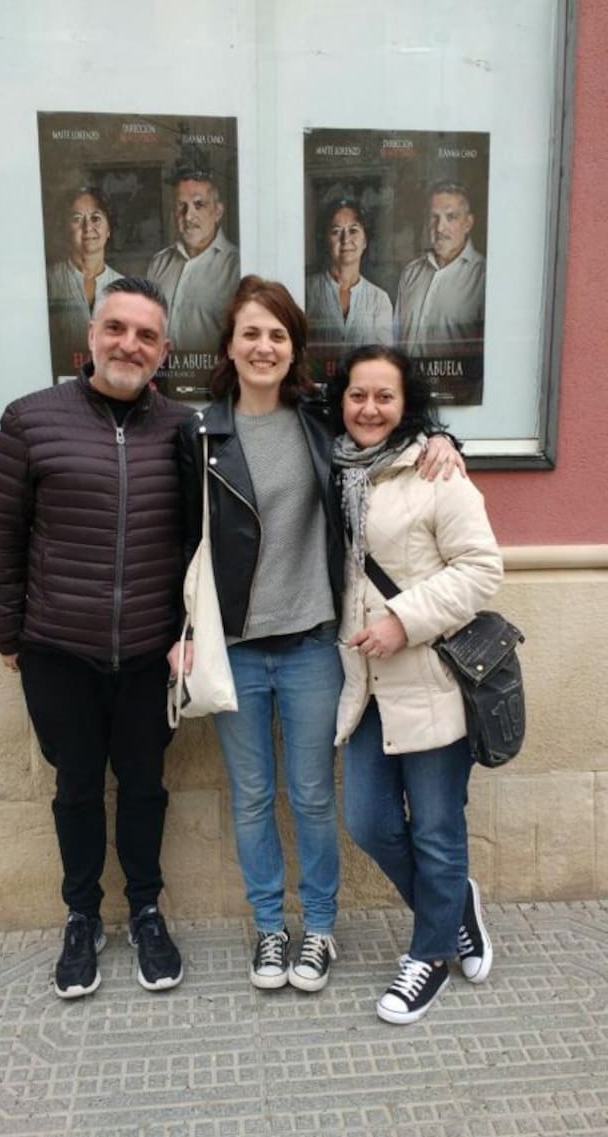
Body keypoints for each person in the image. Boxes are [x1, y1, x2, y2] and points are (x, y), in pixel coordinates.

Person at [175, 276, 462, 995]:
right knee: (249, 796)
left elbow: (388, 429)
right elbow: (175, 540)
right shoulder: (198, 433)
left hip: (311, 644)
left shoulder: (318, 424)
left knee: (311, 797)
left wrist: (442, 439)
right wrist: (173, 635)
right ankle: (271, 929)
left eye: (277, 334)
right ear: (230, 346)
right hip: (233, 648)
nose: (264, 346)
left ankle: (321, 931)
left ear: (293, 347)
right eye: (251, 333)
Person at [0, 277, 189, 1000]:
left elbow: (201, 546)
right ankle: (81, 917)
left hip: (149, 654)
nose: (129, 344)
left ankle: (145, 909)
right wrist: (6, 631)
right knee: (75, 788)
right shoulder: (31, 420)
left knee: (143, 785)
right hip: (58, 650)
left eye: (146, 335)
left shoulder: (183, 430)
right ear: (91, 334)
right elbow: (1, 537)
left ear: (164, 351)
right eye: (117, 328)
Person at [333, 344, 501, 1024]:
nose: (369, 408)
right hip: (365, 685)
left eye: (384, 397)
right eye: (357, 395)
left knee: (434, 827)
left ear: (407, 406)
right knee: (369, 821)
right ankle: (455, 904)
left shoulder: (438, 473)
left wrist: (404, 619)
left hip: (431, 680)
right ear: (339, 401)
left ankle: (429, 954)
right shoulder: (332, 469)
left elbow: (482, 571)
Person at [147, 168, 240, 353]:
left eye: (199, 205)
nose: (188, 216)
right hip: (162, 379)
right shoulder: (158, 264)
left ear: (218, 211)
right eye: (181, 206)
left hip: (213, 380)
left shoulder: (237, 267)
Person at [393, 181, 485, 364]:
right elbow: (394, 340)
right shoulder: (411, 273)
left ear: (468, 223)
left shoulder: (484, 277)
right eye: (434, 218)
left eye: (450, 217)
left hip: (457, 391)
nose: (440, 227)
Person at [47, 187, 123, 380]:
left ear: (109, 229)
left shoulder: (125, 287)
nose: (88, 228)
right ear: (65, 229)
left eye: (96, 218)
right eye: (77, 219)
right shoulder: (48, 281)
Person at [306, 198, 393, 363]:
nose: (345, 239)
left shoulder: (379, 299)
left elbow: (384, 361)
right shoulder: (307, 291)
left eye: (353, 230)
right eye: (336, 231)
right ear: (326, 239)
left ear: (365, 240)